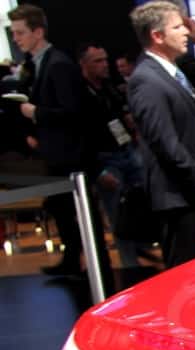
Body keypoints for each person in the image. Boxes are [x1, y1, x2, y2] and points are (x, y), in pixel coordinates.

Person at [8, 4, 112, 280]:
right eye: (14, 33)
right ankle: (73, 261)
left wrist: (35, 113)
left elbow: (73, 112)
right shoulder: (37, 64)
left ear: (38, 32)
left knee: (82, 214)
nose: (16, 39)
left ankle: (97, 269)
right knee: (62, 210)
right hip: (54, 152)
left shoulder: (58, 64)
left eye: (20, 32)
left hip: (72, 156)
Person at [127, 1, 195, 267]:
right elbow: (165, 142)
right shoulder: (146, 80)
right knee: (187, 274)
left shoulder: (171, 71)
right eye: (177, 27)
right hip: (178, 200)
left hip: (192, 197)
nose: (186, 32)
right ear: (157, 36)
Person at [79, 43, 146, 268]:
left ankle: (143, 252)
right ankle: (130, 265)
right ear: (84, 64)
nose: (104, 65)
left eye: (105, 59)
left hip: (126, 150)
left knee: (139, 205)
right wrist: (98, 171)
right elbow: (82, 136)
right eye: (98, 61)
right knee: (117, 214)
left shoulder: (108, 88)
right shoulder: (80, 94)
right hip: (105, 159)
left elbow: (120, 118)